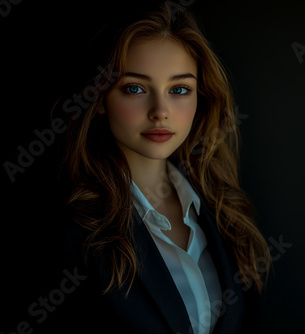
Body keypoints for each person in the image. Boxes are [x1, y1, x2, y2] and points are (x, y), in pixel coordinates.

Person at [57, 2, 271, 333]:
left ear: (200, 96)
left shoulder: (223, 211)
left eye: (179, 89)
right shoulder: (70, 229)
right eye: (135, 88)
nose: (161, 111)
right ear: (99, 99)